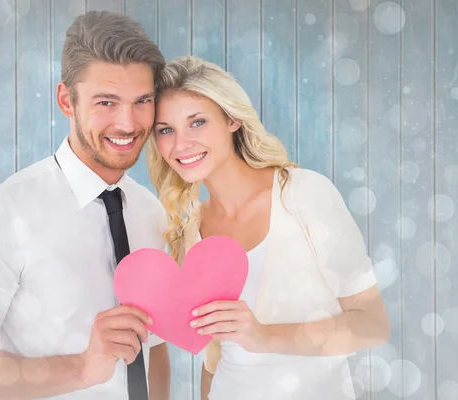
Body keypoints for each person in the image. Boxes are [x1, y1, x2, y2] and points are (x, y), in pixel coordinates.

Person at [0, 11, 171, 400]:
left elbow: (154, 347)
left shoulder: (151, 212)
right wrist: (83, 367)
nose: (128, 123)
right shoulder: (3, 212)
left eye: (142, 101)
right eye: (106, 102)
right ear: (65, 100)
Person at [145, 55, 391, 400]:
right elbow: (213, 358)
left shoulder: (303, 194)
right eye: (166, 130)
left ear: (232, 119)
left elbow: (373, 325)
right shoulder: (192, 230)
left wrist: (265, 336)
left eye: (197, 122)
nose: (180, 143)